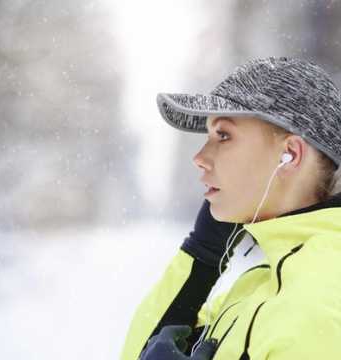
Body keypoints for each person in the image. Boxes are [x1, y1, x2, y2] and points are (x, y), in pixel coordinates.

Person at [120, 56, 341, 360]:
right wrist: (203, 255)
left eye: (223, 135)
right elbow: (142, 350)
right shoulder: (261, 283)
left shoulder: (319, 297)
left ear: (289, 154)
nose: (199, 156)